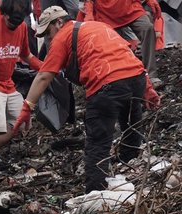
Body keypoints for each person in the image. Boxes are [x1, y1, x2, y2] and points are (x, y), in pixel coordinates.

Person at [14, 6, 160, 193]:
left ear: (59, 22)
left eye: (48, 33)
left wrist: (27, 108)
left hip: (107, 85)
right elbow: (128, 54)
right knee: (131, 128)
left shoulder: (62, 37)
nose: (49, 39)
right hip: (135, 78)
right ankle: (131, 170)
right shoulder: (100, 27)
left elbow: (44, 76)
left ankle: (95, 193)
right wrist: (147, 89)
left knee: (98, 142)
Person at [0, 0, 42, 178]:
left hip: (8, 83)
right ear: (4, 14)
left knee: (19, 124)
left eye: (18, 21)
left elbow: (26, 55)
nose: (14, 25)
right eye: (11, 22)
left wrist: (44, 67)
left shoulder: (21, 27)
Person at [83, 0, 161, 86]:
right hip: (106, 14)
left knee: (147, 28)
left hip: (130, 8)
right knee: (112, 45)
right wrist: (89, 15)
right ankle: (122, 79)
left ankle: (151, 74)